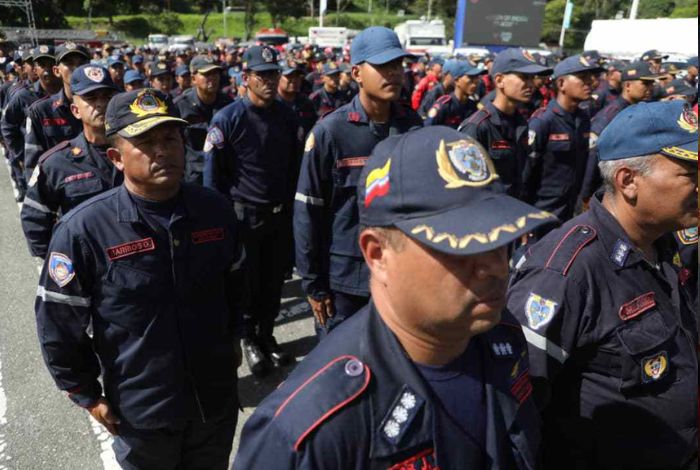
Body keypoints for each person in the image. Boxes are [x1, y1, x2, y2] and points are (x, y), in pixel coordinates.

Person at [235, 126, 557, 469]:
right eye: (461, 246)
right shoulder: (309, 430)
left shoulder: (503, 334)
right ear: (378, 255)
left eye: (501, 239)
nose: (495, 266)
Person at [35, 88, 244, 470]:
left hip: (213, 401)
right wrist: (86, 393)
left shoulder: (214, 211)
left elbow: (233, 287)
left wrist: (233, 339)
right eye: (145, 142)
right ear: (116, 157)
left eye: (170, 138)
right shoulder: (86, 229)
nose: (162, 150)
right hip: (142, 412)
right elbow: (59, 322)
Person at [506, 100, 698, 469]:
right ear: (628, 181)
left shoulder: (666, 245)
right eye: (690, 173)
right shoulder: (567, 270)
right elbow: (518, 406)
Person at [294, 26, 422, 339]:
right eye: (382, 66)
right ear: (357, 73)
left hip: (401, 273)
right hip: (346, 282)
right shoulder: (330, 132)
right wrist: (314, 284)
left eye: (398, 66)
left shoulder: (413, 126)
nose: (393, 73)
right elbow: (308, 212)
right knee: (343, 370)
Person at [203, 45, 302, 377]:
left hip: (279, 215)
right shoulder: (228, 118)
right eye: (263, 75)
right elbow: (213, 177)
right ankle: (248, 341)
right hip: (244, 216)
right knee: (247, 285)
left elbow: (294, 168)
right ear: (245, 78)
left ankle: (267, 336)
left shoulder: (288, 116)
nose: (271, 81)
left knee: (273, 283)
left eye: (274, 74)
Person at [20, 64, 120, 258]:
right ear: (75, 110)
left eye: (107, 97)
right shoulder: (56, 162)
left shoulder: (136, 153)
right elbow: (34, 220)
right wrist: (62, 263)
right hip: (87, 268)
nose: (101, 104)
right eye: (90, 98)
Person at [460, 48, 552, 200]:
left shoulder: (521, 123)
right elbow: (465, 187)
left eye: (532, 78)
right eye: (524, 77)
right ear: (499, 80)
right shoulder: (478, 126)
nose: (531, 84)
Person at [523, 55, 603, 227]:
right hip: (541, 211)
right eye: (582, 78)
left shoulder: (583, 119)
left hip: (570, 208)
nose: (589, 83)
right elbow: (526, 173)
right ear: (561, 84)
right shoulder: (543, 121)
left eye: (590, 78)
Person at [581, 61, 661, 203]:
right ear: (628, 85)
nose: (650, 88)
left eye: (651, 84)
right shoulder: (612, 114)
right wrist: (585, 195)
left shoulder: (636, 110)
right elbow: (593, 154)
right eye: (645, 83)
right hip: (602, 190)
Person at [1, 45, 61, 202]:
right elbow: (7, 126)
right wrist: (22, 155)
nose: (46, 70)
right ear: (35, 69)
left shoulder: (69, 93)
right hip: (37, 168)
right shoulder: (24, 96)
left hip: (65, 166)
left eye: (50, 64)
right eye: (42, 65)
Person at [23, 42, 90, 181]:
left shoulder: (108, 105)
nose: (76, 68)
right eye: (69, 63)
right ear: (57, 71)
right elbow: (33, 164)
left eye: (81, 63)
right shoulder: (41, 111)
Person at [174, 55, 232, 185]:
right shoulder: (180, 107)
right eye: (207, 74)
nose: (212, 78)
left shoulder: (228, 105)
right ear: (193, 78)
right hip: (193, 177)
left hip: (223, 176)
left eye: (215, 73)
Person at [424, 62, 484, 128]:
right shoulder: (444, 105)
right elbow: (427, 129)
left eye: (476, 77)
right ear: (457, 80)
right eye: (471, 78)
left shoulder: (474, 107)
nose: (475, 83)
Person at [277, 63, 316, 137]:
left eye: (297, 76)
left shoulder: (306, 102)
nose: (294, 80)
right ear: (278, 77)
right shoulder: (271, 103)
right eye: (289, 76)